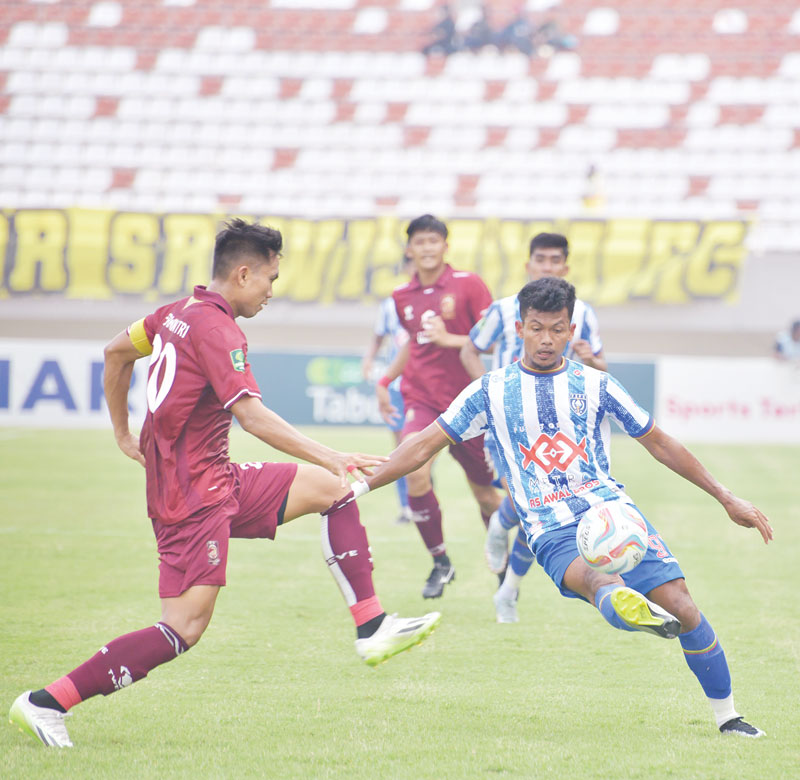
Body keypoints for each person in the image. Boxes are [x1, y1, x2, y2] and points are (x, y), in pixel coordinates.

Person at [8, 219, 440, 748]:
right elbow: (252, 417)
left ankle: (372, 628)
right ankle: (46, 702)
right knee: (183, 628)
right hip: (193, 496)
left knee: (333, 490)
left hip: (215, 479)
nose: (271, 292)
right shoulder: (218, 329)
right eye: (270, 280)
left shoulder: (174, 315)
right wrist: (330, 452)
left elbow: (115, 352)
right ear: (242, 274)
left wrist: (125, 433)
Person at [359, 277, 772, 738]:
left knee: (684, 606)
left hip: (612, 512)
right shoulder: (489, 391)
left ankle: (728, 718)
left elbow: (660, 443)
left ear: (571, 329)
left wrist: (725, 496)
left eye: (557, 329)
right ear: (519, 327)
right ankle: (629, 609)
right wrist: (362, 485)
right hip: (547, 524)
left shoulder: (595, 384)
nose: (546, 340)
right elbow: (423, 446)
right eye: (536, 328)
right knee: (601, 581)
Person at [460, 232, 606, 622]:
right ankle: (505, 580)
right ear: (529, 266)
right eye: (541, 259)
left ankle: (507, 585)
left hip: (561, 433)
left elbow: (600, 371)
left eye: (555, 260)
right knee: (533, 506)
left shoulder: (583, 314)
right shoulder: (503, 309)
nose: (548, 266)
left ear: (565, 267)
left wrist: (592, 360)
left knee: (541, 510)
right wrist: (488, 397)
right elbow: (470, 348)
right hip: (508, 429)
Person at [376, 214, 500, 599]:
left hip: (469, 405)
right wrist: (384, 380)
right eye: (419, 241)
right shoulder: (401, 296)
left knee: (485, 495)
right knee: (414, 472)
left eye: (434, 241)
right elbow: (412, 344)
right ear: (409, 249)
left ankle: (503, 557)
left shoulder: (470, 285)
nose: (427, 248)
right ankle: (440, 562)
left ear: (446, 246)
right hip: (423, 399)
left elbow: (491, 342)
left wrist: (450, 339)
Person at [362, 256, 413, 524]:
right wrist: (369, 359)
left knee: (423, 451)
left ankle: (419, 500)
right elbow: (379, 338)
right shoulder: (392, 304)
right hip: (397, 386)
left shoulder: (438, 300)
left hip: (426, 386)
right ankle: (406, 506)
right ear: (406, 266)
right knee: (402, 449)